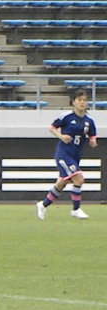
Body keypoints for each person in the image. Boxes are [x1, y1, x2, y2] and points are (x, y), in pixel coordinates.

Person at [36, 89, 97, 220]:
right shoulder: (67, 116)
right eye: (79, 100)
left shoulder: (89, 121)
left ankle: (43, 205)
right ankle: (76, 209)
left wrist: (93, 141)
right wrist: (61, 136)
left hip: (76, 155)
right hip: (64, 154)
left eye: (84, 100)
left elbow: (92, 135)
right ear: (73, 102)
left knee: (61, 183)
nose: (82, 102)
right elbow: (52, 128)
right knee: (79, 179)